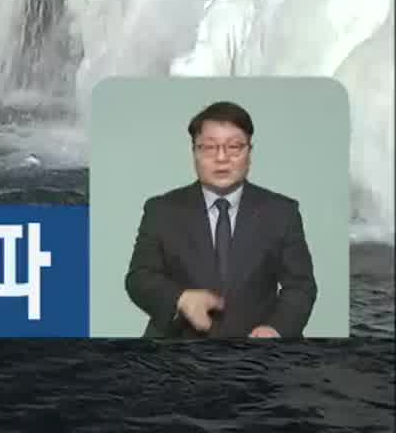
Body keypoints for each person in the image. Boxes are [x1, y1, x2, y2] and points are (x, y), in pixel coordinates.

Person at [124, 100, 317, 339]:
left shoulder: (282, 212)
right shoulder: (161, 210)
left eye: (234, 147)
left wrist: (277, 329)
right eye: (208, 147)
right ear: (194, 152)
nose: (222, 158)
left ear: (249, 152)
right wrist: (180, 299)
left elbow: (300, 286)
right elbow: (139, 278)